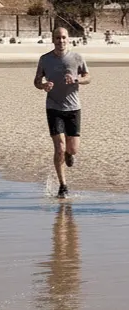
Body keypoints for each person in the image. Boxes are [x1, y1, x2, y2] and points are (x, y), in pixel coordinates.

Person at [33, 27, 90, 199]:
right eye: (57, 38)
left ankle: (69, 154)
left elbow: (88, 77)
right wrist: (43, 85)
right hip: (53, 107)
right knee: (59, 148)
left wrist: (76, 79)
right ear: (53, 40)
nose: (61, 41)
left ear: (68, 39)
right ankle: (63, 186)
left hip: (73, 107)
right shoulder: (45, 59)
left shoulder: (77, 58)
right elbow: (36, 81)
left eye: (63, 37)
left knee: (72, 149)